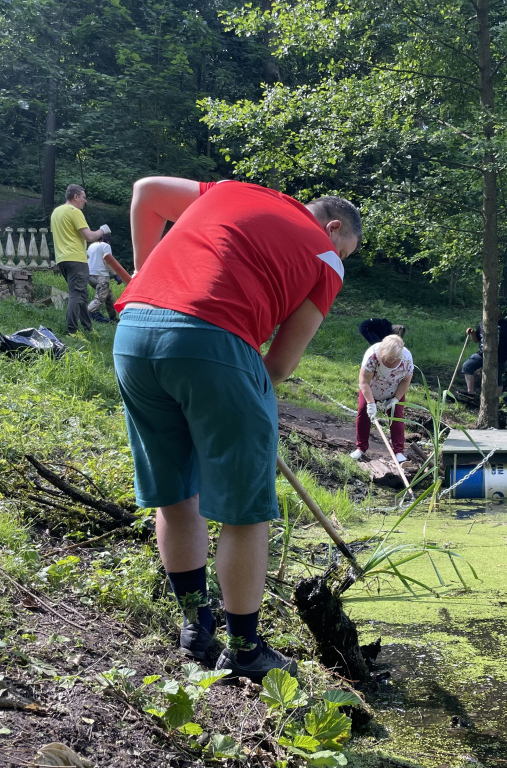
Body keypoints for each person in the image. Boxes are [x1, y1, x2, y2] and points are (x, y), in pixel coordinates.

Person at [113, 176, 361, 681]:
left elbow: (146, 192)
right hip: (215, 342)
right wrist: (249, 409)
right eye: (347, 250)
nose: (342, 259)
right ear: (333, 228)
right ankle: (245, 650)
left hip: (134, 333)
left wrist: (143, 271)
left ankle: (194, 627)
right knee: (246, 510)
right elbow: (280, 364)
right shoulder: (327, 257)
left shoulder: (228, 191)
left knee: (176, 496)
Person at [50, 184, 110, 334]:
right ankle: (72, 332)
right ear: (75, 197)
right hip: (76, 259)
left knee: (81, 294)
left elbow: (65, 235)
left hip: (62, 259)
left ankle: (88, 329)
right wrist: (103, 230)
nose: (85, 201)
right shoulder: (74, 211)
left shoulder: (56, 212)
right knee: (77, 295)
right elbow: (89, 236)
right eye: (84, 197)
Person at [349, 334, 414, 463]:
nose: (392, 361)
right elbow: (364, 381)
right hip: (371, 388)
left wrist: (395, 399)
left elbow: (406, 381)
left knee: (397, 416)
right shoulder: (372, 356)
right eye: (389, 358)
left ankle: (398, 452)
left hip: (394, 389)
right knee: (363, 413)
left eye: (395, 358)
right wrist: (371, 403)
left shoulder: (406, 358)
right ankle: (361, 448)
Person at [462, 318, 507, 397]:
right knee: (467, 366)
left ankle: (497, 399)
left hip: (499, 356)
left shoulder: (505, 325)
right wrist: (472, 333)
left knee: (497, 376)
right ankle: (470, 393)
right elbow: (477, 339)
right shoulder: (482, 324)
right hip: (482, 354)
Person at [86, 233, 131, 323]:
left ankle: (113, 317)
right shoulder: (105, 246)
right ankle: (89, 311)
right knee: (100, 297)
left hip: (90, 275)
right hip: (101, 275)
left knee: (108, 295)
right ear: (108, 239)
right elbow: (108, 261)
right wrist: (115, 274)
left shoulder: (91, 246)